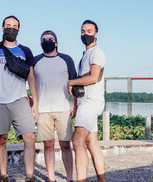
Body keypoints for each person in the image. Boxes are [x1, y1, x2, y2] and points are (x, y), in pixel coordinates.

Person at [0, 15, 39, 182]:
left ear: (18, 29)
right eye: (8, 25)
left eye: (14, 26)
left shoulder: (25, 51)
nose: (11, 28)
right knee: (2, 139)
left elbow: (31, 77)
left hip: (20, 99)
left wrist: (35, 102)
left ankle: (29, 176)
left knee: (30, 139)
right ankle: (4, 176)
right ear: (2, 27)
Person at [34, 30, 77, 182]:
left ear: (56, 43)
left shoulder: (66, 59)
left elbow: (74, 84)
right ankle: (51, 178)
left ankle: (70, 178)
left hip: (63, 108)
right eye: (44, 39)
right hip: (43, 110)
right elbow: (28, 83)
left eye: (50, 39)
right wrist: (32, 104)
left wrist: (75, 105)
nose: (47, 41)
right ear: (40, 43)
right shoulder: (35, 61)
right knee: (48, 144)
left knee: (65, 144)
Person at [67, 20, 106, 182]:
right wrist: (75, 105)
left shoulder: (97, 53)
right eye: (83, 31)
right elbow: (81, 82)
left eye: (89, 31)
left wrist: (70, 82)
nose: (85, 34)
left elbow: (94, 77)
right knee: (91, 143)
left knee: (77, 140)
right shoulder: (84, 56)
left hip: (92, 102)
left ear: (96, 34)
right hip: (84, 103)